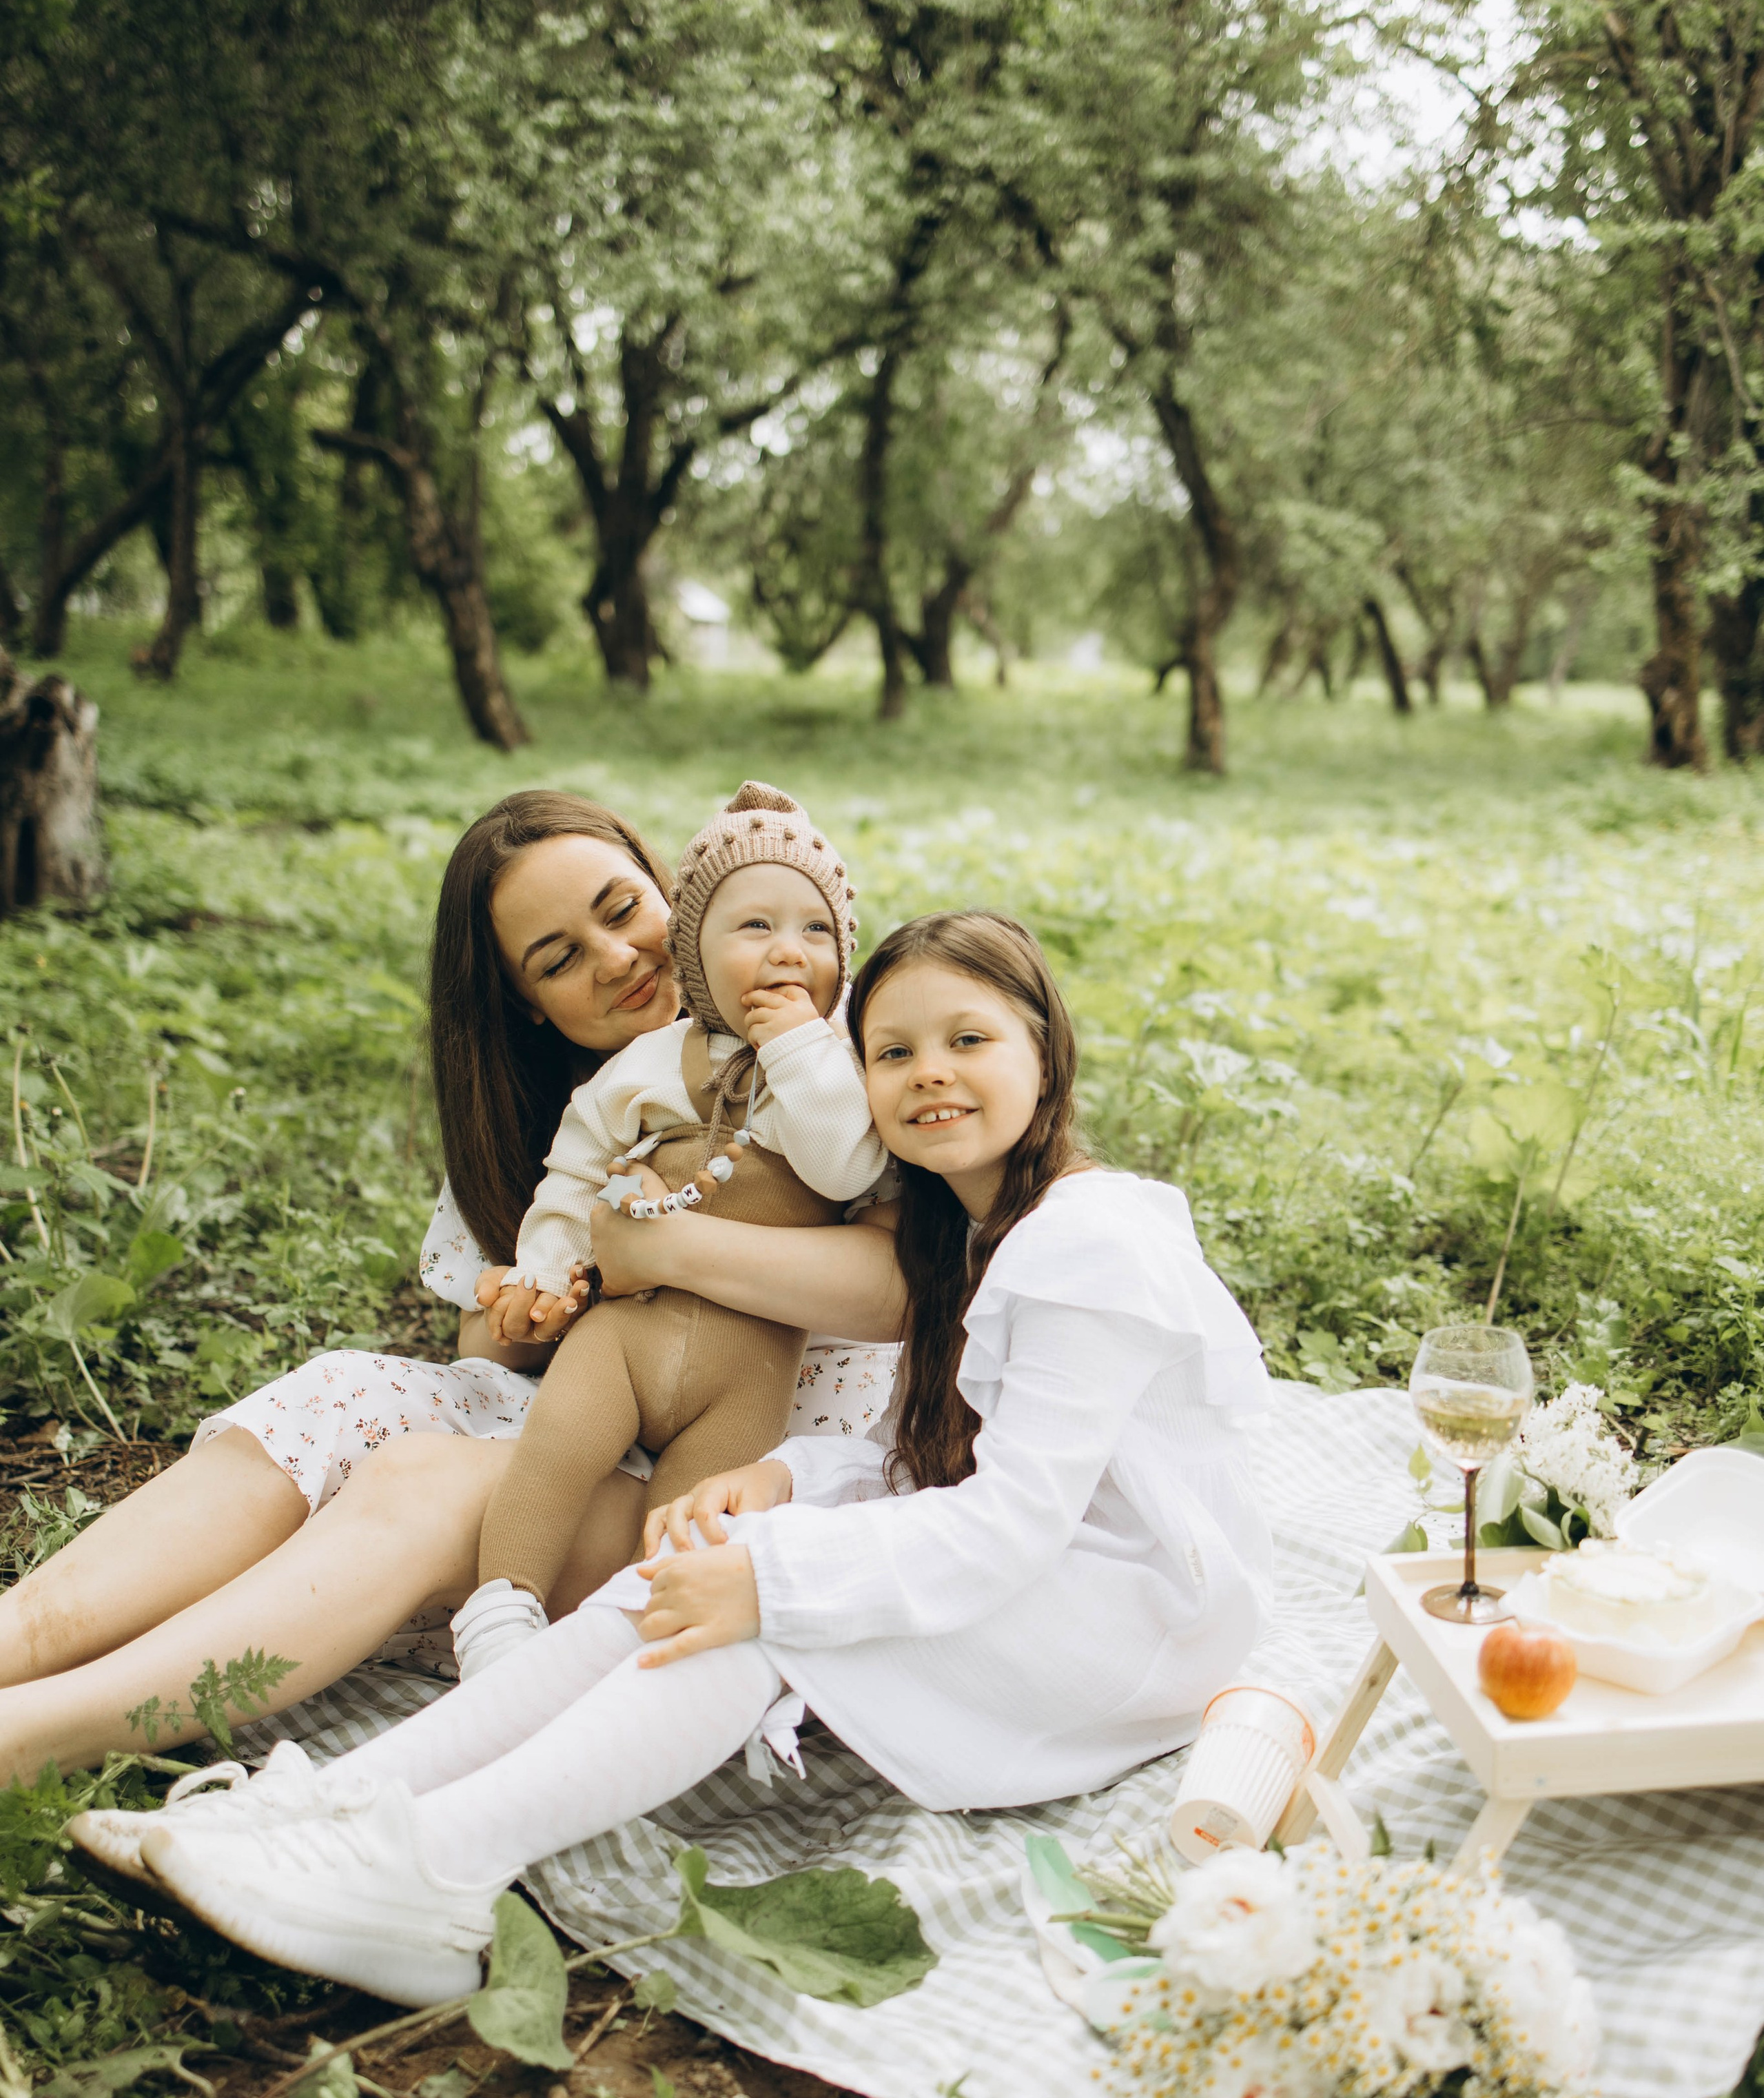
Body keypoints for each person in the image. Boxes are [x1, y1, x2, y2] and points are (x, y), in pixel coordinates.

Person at [123, 912, 1277, 2010]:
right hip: (1038, 1569)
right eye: (893, 1051)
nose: (931, 1072)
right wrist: (785, 1481)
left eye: (969, 1040)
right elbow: (923, 1462)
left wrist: (775, 1575)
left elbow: (1014, 1518)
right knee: (708, 1562)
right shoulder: (966, 1233)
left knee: (757, 1611)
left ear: (1046, 1054)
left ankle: (435, 1874)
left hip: (1127, 1621)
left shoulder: (1088, 1243)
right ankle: (329, 1807)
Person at [1, 792, 901, 1786]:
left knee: (424, 1480)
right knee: (338, 1394)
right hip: (595, 1427)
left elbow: (894, 1289)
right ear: (528, 1002)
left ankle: (35, 1736)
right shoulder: (583, 1099)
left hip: (756, 1481)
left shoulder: (837, 1038)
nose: (615, 958)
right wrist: (533, 1303)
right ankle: (19, 1640)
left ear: (672, 889)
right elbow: (486, 1351)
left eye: (622, 908)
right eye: (558, 960)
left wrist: (663, 1246)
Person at [460, 782, 885, 1660]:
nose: (785, 951)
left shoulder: (840, 1071)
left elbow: (844, 1166)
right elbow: (575, 1170)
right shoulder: (647, 1063)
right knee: (556, 1450)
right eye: (753, 927)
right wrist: (542, 1271)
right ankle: (500, 1607)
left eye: (814, 930)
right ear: (695, 944)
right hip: (625, 1334)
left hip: (751, 1364)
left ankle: (623, 1649)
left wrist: (796, 1047)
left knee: (692, 1521)